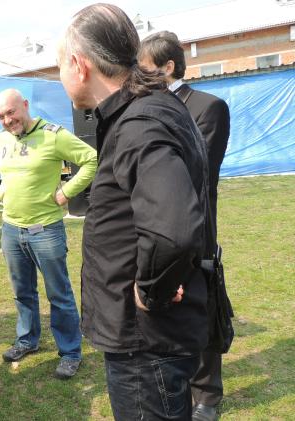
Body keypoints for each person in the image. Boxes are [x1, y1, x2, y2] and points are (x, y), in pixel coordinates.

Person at [58, 4, 210, 419]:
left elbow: (173, 230)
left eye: (60, 65)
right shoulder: (146, 109)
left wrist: (151, 290)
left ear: (79, 64)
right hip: (147, 337)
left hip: (145, 341)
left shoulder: (140, 122)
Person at [139, 30, 231, 421]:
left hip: (194, 227)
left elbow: (199, 172)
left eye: (145, 70)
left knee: (200, 304)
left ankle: (207, 393)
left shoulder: (208, 107)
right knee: (165, 303)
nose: (139, 78)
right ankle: (175, 378)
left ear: (169, 66)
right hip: (154, 223)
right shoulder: (145, 108)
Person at [0, 88, 97, 379]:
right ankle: (27, 340)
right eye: (1, 116)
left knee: (59, 294)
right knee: (22, 292)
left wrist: (67, 191)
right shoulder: (0, 140)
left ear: (25, 105)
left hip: (46, 230)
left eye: (11, 112)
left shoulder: (53, 135)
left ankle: (70, 352)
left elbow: (91, 159)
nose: (8, 120)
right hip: (11, 230)